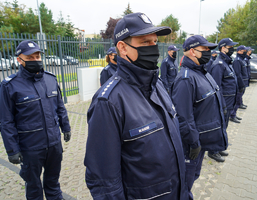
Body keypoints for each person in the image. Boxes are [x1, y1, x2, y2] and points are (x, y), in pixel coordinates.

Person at [84, 13, 188, 200]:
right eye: (145, 42)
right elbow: (104, 183)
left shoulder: (158, 86)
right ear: (122, 48)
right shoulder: (108, 102)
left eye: (155, 42)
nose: (154, 48)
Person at [0, 40, 71, 200]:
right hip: (30, 148)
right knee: (33, 187)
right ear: (19, 60)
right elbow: (6, 121)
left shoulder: (50, 79)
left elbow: (60, 107)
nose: (35, 60)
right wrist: (12, 149)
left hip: (53, 144)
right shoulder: (10, 86)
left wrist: (66, 127)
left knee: (53, 184)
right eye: (30, 58)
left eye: (37, 56)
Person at [171, 35, 228, 199]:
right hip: (191, 146)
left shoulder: (203, 73)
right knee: (185, 183)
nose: (209, 53)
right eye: (205, 50)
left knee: (194, 176)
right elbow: (183, 117)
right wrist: (194, 143)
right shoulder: (185, 79)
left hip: (200, 144)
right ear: (192, 52)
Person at [207, 38, 239, 162]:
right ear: (223, 48)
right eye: (230, 47)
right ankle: (212, 151)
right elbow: (216, 87)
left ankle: (219, 147)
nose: (232, 49)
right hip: (223, 103)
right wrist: (222, 105)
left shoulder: (226, 63)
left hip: (228, 102)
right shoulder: (218, 65)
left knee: (224, 126)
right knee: (219, 127)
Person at [230, 45, 248, 123]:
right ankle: (232, 115)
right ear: (239, 51)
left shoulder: (241, 59)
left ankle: (234, 114)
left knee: (238, 100)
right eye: (244, 51)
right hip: (240, 84)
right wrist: (241, 84)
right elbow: (237, 74)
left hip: (243, 83)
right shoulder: (237, 60)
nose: (245, 52)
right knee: (237, 101)